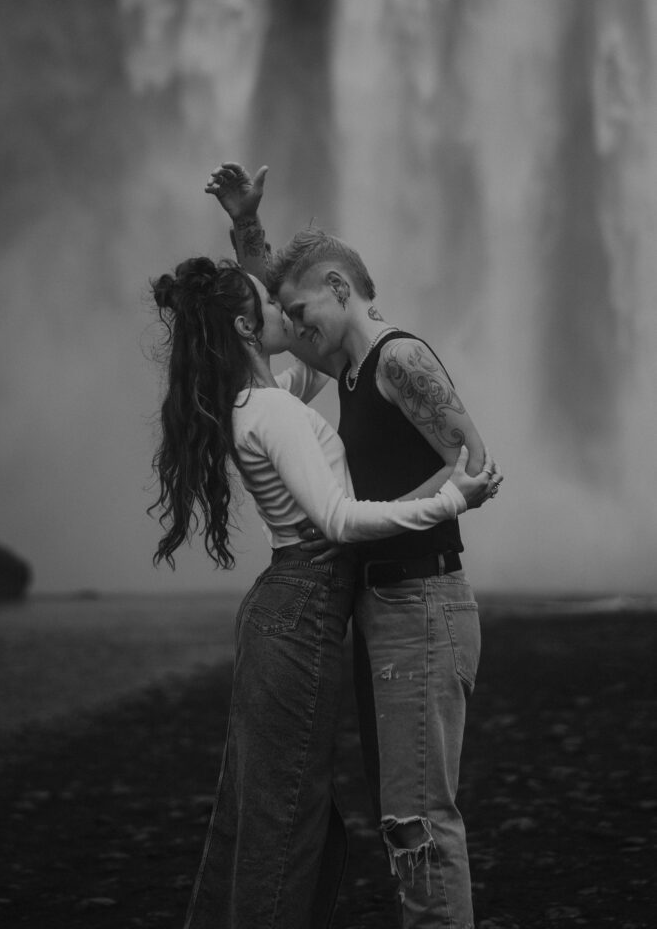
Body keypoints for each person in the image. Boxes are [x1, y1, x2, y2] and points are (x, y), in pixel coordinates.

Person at [148, 251, 498, 929]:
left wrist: (248, 234)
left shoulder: (290, 387)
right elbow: (338, 520)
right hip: (316, 607)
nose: (287, 316)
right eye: (272, 308)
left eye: (294, 306)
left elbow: (289, 320)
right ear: (250, 326)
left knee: (297, 812)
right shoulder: (274, 403)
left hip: (346, 607)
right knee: (289, 816)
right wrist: (450, 496)